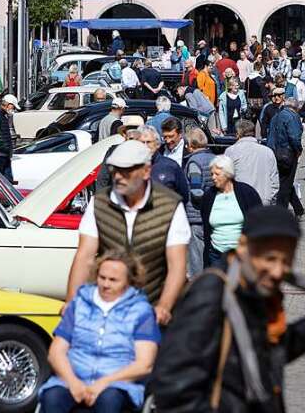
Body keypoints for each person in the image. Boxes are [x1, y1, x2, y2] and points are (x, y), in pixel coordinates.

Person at [150, 206, 305, 413]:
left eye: (286, 260)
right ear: (244, 246)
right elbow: (172, 385)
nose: (279, 271)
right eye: (270, 259)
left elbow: (268, 353)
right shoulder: (213, 294)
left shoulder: (253, 291)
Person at [38, 250, 159, 413]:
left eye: (113, 280)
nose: (105, 284)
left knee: (109, 399)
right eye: (102, 278)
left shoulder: (141, 311)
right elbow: (56, 351)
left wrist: (103, 382)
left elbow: (144, 364)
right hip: (74, 378)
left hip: (117, 382)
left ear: (129, 281)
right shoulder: (80, 303)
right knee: (52, 397)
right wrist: (73, 382)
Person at [67, 140, 190, 324]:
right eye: (115, 170)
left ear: (146, 171)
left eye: (126, 171)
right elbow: (85, 256)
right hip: (108, 311)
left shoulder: (170, 205)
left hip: (152, 309)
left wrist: (164, 307)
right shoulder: (100, 203)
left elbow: (177, 266)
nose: (118, 177)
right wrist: (71, 302)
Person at [201, 155, 262, 269]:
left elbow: (259, 223)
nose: (213, 177)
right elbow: (206, 227)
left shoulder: (247, 193)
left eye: (217, 174)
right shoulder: (209, 196)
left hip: (242, 255)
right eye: (212, 174)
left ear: (228, 174)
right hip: (216, 255)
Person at [225, 119, 280, 207]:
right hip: (264, 200)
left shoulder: (231, 151)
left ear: (238, 134)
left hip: (240, 201)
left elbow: (226, 179)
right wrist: (270, 198)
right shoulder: (267, 151)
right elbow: (274, 180)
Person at [182, 128, 214, 275]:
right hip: (211, 215)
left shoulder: (194, 162)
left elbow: (196, 191)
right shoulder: (213, 158)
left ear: (190, 145)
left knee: (196, 258)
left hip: (196, 216)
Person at [266, 97, 305, 218]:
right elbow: (294, 137)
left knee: (284, 181)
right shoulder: (292, 117)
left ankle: (298, 209)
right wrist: (299, 149)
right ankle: (280, 212)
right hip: (287, 153)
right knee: (286, 183)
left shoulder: (276, 116)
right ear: (295, 107)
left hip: (274, 152)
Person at [137, 126, 191, 205]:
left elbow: (184, 196)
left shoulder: (170, 167)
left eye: (148, 142)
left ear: (157, 144)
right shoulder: (130, 167)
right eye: (141, 142)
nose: (145, 146)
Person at [0, 94, 19, 178]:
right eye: (13, 106)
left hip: (3, 154)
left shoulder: (2, 115)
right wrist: (2, 146)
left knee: (7, 181)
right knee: (1, 179)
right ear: (8, 104)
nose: (13, 109)